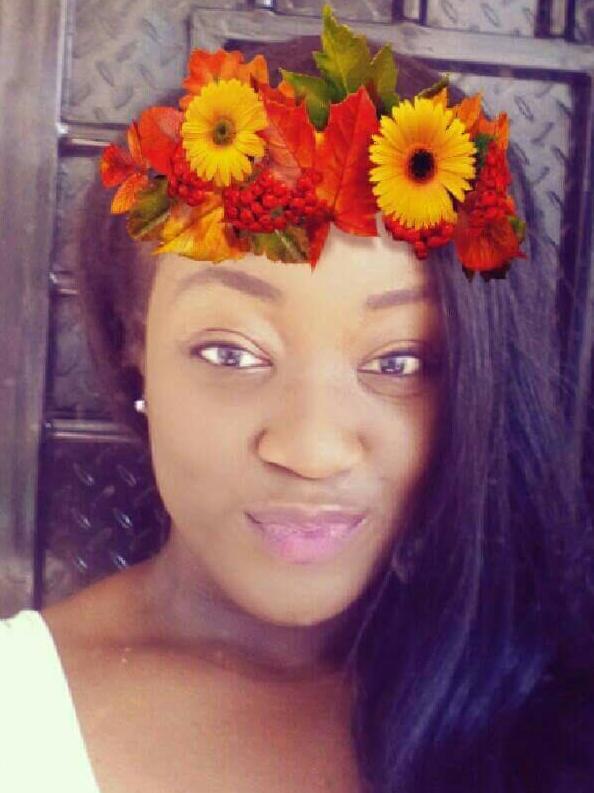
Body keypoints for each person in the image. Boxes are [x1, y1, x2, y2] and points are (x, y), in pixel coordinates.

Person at [2, 7, 594, 792]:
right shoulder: (17, 713)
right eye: (232, 352)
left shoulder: (548, 706)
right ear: (131, 343)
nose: (311, 450)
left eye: (401, 360)